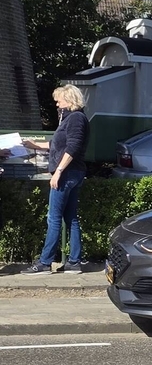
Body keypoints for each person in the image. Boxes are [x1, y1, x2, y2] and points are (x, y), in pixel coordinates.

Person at [20, 84, 90, 274]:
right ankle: (74, 262)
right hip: (74, 173)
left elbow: (72, 148)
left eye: (59, 100)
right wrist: (35, 144)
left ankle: (44, 262)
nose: (56, 103)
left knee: (53, 218)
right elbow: (58, 144)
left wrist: (58, 171)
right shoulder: (73, 118)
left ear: (69, 99)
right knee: (71, 217)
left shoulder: (75, 118)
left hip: (66, 174)